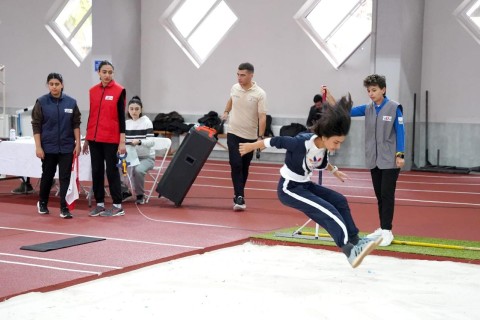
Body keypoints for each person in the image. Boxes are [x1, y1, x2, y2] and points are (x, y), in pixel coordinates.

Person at [239, 95, 381, 268]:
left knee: (339, 201)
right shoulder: (301, 143)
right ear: (325, 135)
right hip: (289, 189)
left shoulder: (324, 149)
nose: (337, 146)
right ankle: (349, 250)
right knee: (328, 211)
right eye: (336, 142)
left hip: (305, 185)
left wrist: (334, 171)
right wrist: (250, 146)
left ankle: (356, 240)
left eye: (340, 143)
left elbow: (320, 160)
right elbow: (275, 141)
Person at [330, 74, 405, 246]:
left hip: (390, 159)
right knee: (379, 195)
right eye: (369, 91)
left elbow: (401, 132)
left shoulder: (394, 108)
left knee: (387, 194)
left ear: (383, 90)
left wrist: (400, 154)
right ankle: (382, 227)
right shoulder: (367, 108)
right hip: (374, 158)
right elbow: (345, 112)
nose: (371, 93)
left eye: (374, 90)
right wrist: (332, 98)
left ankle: (387, 231)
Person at [31, 72, 81, 219]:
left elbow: (76, 124)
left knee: (65, 177)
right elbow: (36, 126)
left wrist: (78, 143)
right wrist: (38, 146)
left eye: (57, 84)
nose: (54, 87)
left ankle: (64, 208)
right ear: (48, 85)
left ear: (62, 85)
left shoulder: (71, 102)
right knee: (47, 176)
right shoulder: (41, 102)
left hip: (66, 146)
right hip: (48, 147)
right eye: (51, 84)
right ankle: (42, 202)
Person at [82, 60, 126, 217]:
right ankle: (99, 204)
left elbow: (122, 119)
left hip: (111, 139)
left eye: (110, 72)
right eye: (104, 72)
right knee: (97, 171)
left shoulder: (119, 91)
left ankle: (117, 205)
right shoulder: (92, 91)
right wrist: (87, 139)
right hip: (94, 139)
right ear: (99, 73)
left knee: (112, 171)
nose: (107, 75)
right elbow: (92, 115)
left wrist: (122, 141)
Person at [221, 62, 267, 211]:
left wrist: (260, 138)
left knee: (245, 167)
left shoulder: (260, 93)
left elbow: (262, 117)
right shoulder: (234, 88)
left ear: (251, 75)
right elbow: (231, 100)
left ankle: (239, 195)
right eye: (238, 74)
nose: (239, 78)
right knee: (236, 164)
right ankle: (239, 196)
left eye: (243, 75)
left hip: (250, 137)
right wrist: (226, 112)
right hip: (233, 133)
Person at [121, 96, 155, 205]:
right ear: (128, 110)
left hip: (146, 158)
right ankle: (125, 192)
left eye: (136, 109)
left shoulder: (146, 122)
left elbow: (151, 142)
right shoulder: (126, 124)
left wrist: (139, 141)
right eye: (131, 109)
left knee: (138, 170)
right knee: (117, 166)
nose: (134, 111)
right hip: (130, 157)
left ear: (141, 109)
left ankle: (140, 195)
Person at [306, 94, 324, 184]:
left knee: (321, 155)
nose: (317, 107)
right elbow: (308, 122)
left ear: (322, 102)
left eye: (319, 105)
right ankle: (308, 173)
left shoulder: (327, 109)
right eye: (316, 105)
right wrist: (312, 127)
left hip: (323, 135)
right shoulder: (312, 109)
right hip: (313, 134)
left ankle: (321, 172)